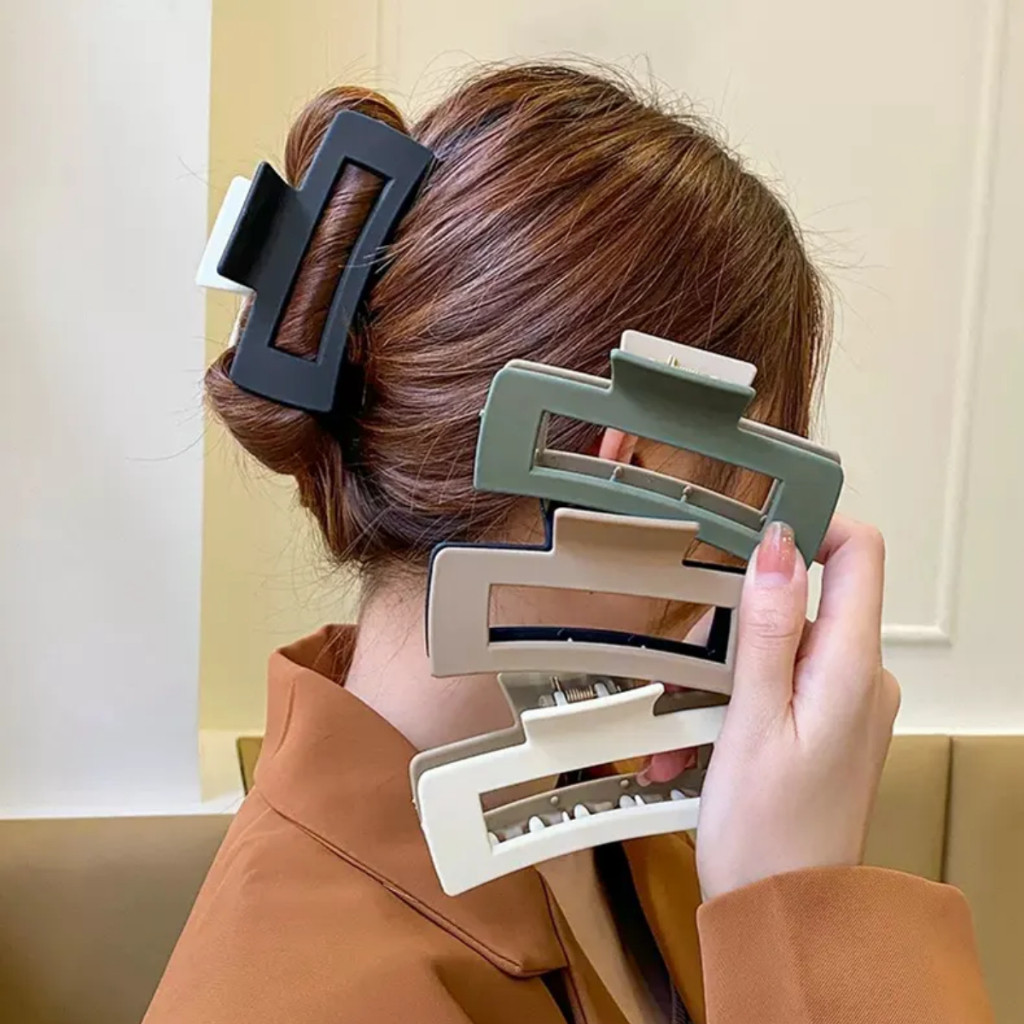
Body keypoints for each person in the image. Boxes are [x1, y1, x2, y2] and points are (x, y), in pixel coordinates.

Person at [144, 65, 993, 1023]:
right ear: (632, 480)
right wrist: (807, 921)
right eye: (752, 483)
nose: (761, 536)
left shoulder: (602, 812)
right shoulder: (289, 995)